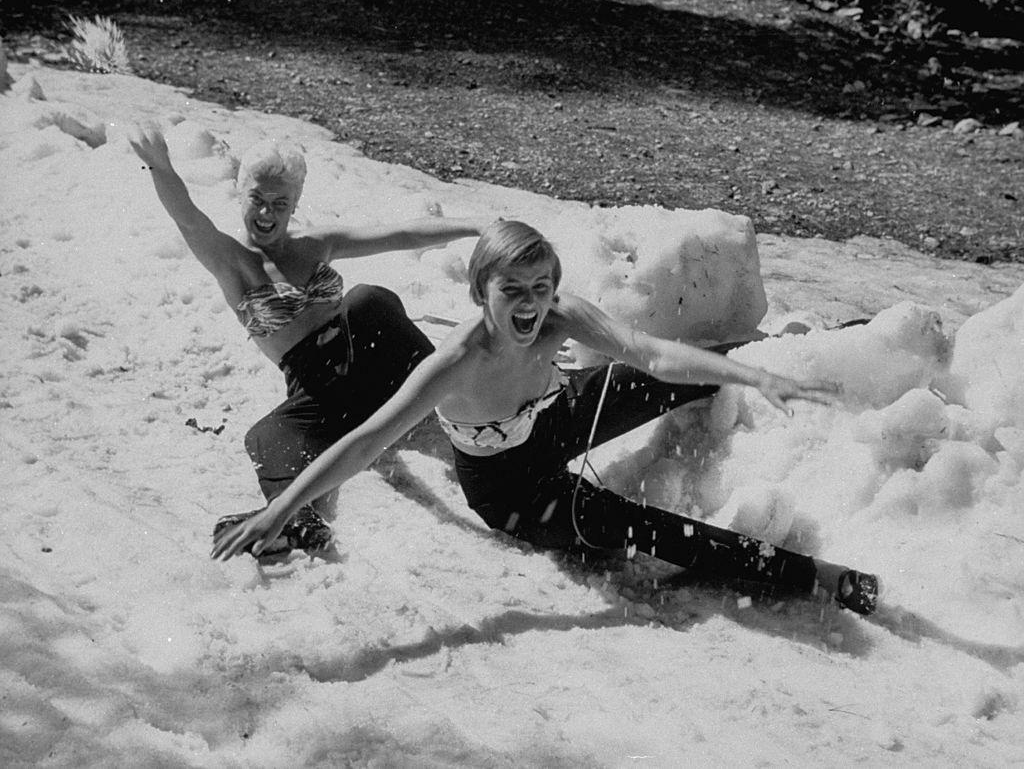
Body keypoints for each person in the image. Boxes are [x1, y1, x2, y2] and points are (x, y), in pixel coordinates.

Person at [211, 220, 879, 615]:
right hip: (515, 492)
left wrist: (755, 375)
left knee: (676, 372)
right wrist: (278, 510)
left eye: (541, 287)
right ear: (481, 292)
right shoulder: (454, 365)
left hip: (561, 415)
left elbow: (651, 352)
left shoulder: (559, 315)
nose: (530, 306)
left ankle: (832, 345)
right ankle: (819, 577)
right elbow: (363, 443)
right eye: (513, 291)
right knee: (656, 532)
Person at [130, 123, 488, 554]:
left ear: (295, 203)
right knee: (264, 436)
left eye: (279, 203)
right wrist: (160, 166)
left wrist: (476, 226)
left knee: (368, 300)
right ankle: (295, 518)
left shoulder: (314, 244)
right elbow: (187, 217)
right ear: (240, 196)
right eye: (257, 200)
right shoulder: (233, 262)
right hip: (320, 395)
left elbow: (400, 235)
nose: (266, 213)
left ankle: (463, 383)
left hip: (377, 366)